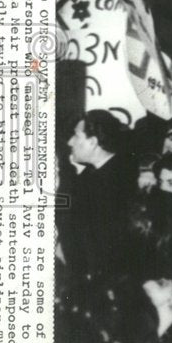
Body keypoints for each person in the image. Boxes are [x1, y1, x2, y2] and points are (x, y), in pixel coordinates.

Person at [64, 110, 136, 279]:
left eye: (76, 136)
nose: (70, 142)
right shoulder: (89, 176)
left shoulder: (122, 180)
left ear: (93, 142)